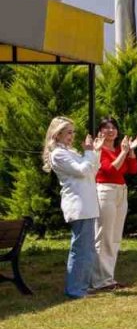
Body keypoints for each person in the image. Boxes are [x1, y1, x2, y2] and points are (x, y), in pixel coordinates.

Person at [43, 117, 103, 299]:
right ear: (57, 133)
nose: (72, 136)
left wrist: (94, 152)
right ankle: (75, 289)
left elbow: (92, 170)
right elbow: (82, 170)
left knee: (88, 248)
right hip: (78, 204)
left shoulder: (71, 151)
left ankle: (82, 286)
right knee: (80, 248)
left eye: (72, 132)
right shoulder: (58, 154)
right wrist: (88, 153)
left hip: (87, 203)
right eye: (68, 132)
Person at [93, 117, 137, 291]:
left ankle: (108, 278)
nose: (110, 130)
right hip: (105, 191)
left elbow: (133, 169)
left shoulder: (117, 149)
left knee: (114, 236)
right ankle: (99, 280)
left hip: (121, 191)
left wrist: (131, 151)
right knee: (104, 235)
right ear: (100, 132)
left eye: (113, 127)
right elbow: (109, 170)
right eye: (106, 128)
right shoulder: (98, 151)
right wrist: (123, 151)